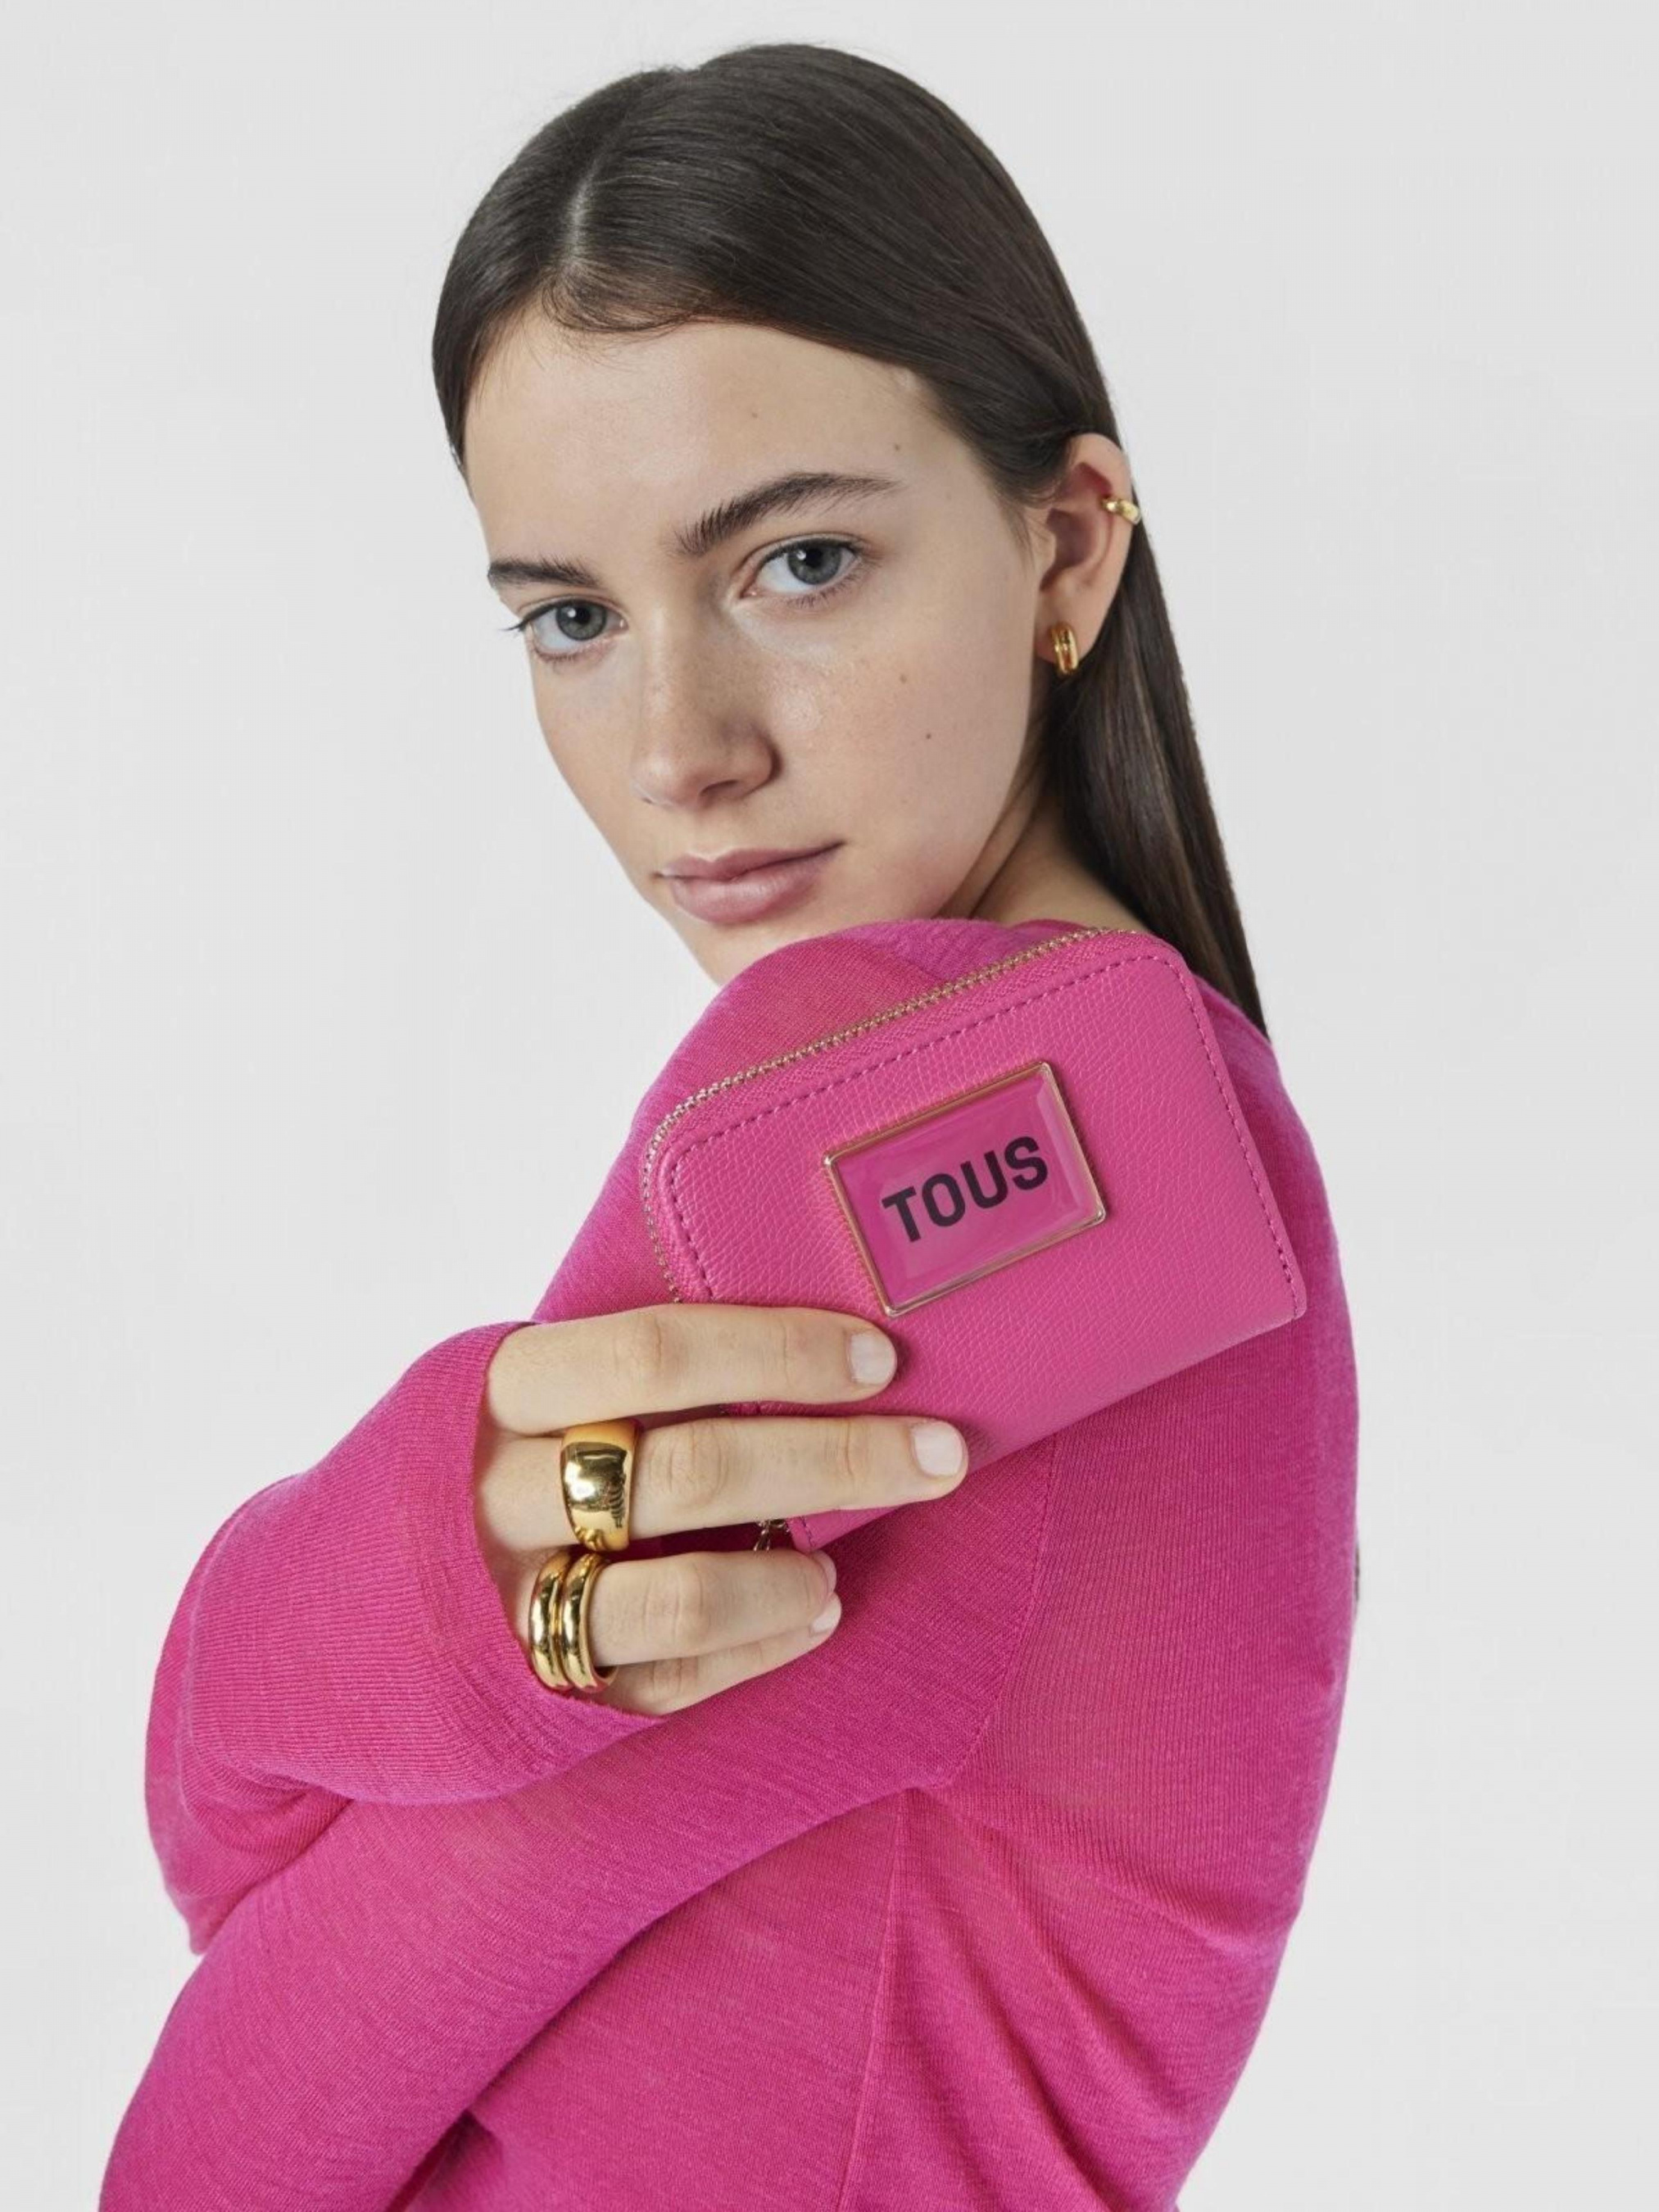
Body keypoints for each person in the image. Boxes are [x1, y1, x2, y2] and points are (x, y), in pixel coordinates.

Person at [102, 40, 1359, 2212]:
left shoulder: (942, 1089)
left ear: (1066, 546)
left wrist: (242, 1660)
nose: (676, 747)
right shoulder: (1158, 1096)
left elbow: (281, 1936)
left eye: (798, 562)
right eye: (573, 618)